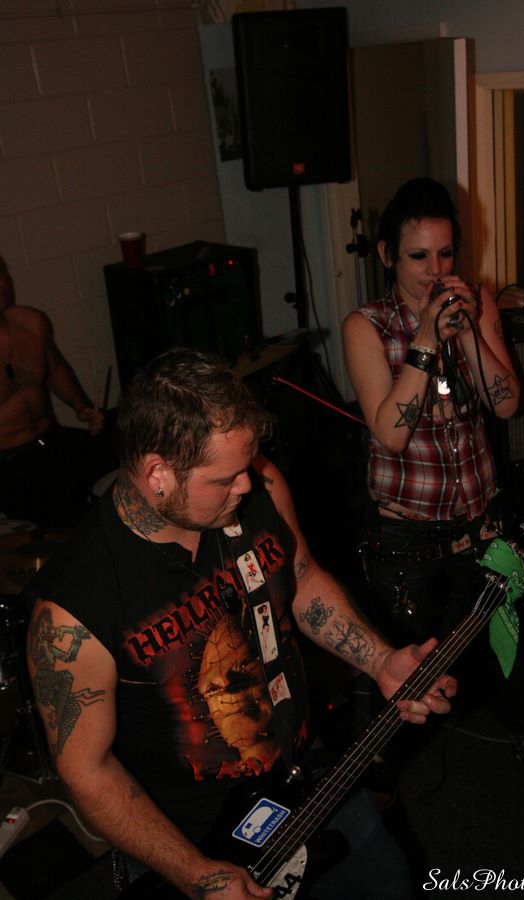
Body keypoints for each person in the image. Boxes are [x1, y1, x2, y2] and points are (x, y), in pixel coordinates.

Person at [25, 347, 456, 900]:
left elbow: (300, 575)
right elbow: (87, 771)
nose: (247, 486)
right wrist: (197, 875)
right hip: (193, 837)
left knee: (390, 884)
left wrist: (380, 659)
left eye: (246, 468)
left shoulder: (260, 485)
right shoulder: (73, 606)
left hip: (307, 774)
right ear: (157, 474)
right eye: (225, 478)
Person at [342, 177, 524, 802]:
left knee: (508, 647)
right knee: (407, 667)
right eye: (418, 256)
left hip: (481, 522)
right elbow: (390, 434)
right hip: (407, 537)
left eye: (445, 254)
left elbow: (509, 403)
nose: (435, 271)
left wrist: (467, 332)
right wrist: (424, 339)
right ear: (387, 255)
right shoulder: (367, 326)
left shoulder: (476, 303)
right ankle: (377, 780)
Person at [0, 254, 105, 527]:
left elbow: (54, 369)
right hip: (9, 462)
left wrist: (81, 406)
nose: (1, 284)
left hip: (51, 439)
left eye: (1, 274)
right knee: (69, 513)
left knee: (121, 462)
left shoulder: (31, 323)